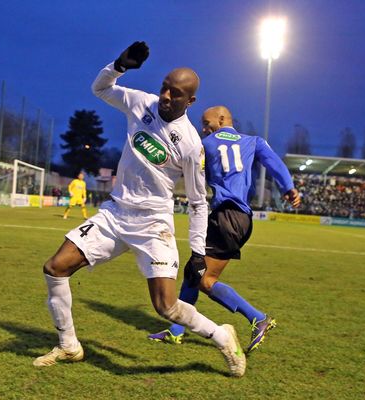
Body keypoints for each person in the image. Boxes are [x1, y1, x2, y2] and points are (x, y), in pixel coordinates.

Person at [33, 42, 246, 377]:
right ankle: (69, 345)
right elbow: (101, 88)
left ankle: (221, 335)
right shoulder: (140, 103)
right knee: (55, 267)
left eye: (175, 94)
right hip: (115, 214)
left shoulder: (191, 144)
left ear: (189, 102)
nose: (164, 96)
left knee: (166, 307)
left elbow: (197, 201)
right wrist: (118, 65)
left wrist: (196, 252)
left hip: (153, 225)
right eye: (164, 87)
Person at [148, 105, 301, 353]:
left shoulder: (205, 145)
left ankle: (258, 318)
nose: (204, 128)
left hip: (228, 216)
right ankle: (177, 331)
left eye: (207, 123)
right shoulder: (254, 141)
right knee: (192, 271)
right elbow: (275, 164)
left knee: (206, 280)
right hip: (238, 217)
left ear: (222, 119)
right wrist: (288, 187)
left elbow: (180, 166)